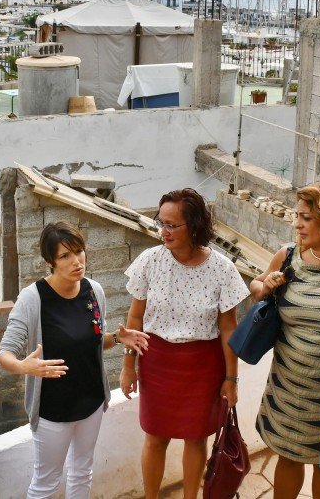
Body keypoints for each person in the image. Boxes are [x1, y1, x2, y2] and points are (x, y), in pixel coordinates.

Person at [0, 221, 150, 498]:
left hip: (91, 402)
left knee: (82, 473)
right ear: (50, 262)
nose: (76, 261)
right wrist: (22, 366)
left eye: (79, 252)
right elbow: (4, 354)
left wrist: (117, 338)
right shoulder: (33, 299)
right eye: (65, 256)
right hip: (53, 411)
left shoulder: (94, 290)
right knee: (46, 483)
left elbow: (92, 340)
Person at [121, 188, 249, 498]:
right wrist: (128, 366)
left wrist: (231, 378)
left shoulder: (222, 269)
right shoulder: (149, 262)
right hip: (157, 362)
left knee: (196, 439)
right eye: (161, 223)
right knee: (155, 437)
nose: (163, 232)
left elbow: (228, 329)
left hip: (203, 366)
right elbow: (134, 320)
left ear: (193, 225)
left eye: (171, 225)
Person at [249, 182, 320, 499]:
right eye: (297, 216)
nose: (297, 223)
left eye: (306, 217)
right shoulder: (288, 256)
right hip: (288, 387)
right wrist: (265, 286)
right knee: (287, 457)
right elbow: (256, 287)